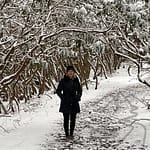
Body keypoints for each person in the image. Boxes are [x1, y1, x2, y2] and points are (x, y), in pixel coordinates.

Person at [56, 66, 82, 138]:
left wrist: (78, 97)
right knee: (66, 119)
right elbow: (58, 91)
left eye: (72, 71)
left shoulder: (76, 80)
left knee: (73, 119)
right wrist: (63, 98)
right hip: (65, 102)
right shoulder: (63, 81)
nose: (70, 73)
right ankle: (67, 134)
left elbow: (80, 90)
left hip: (74, 101)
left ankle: (71, 134)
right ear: (67, 73)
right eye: (69, 71)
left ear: (74, 73)